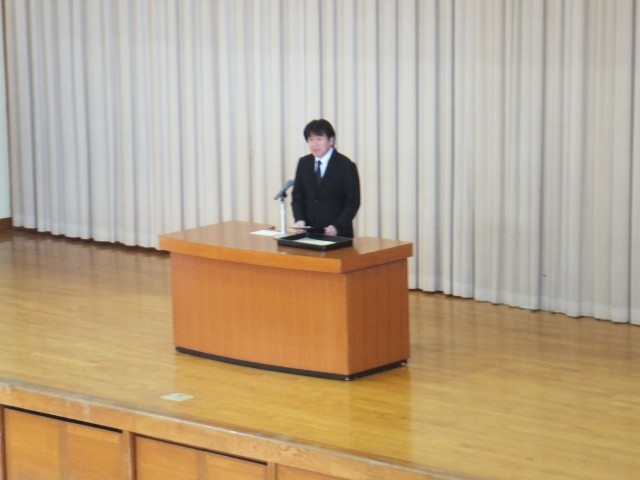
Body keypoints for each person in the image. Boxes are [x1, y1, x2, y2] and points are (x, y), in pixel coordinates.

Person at [291, 119, 360, 238]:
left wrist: (337, 226)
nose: (314, 144)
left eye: (319, 139)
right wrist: (299, 219)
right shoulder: (304, 163)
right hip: (309, 234)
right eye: (311, 139)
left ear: (331, 140)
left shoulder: (346, 166)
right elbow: (297, 196)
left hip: (338, 235)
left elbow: (353, 202)